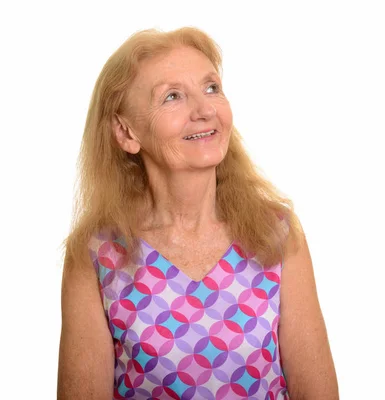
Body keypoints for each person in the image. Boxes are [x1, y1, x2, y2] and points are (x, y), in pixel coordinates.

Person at [57, 26, 338, 400]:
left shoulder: (278, 235)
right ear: (126, 133)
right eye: (172, 96)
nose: (205, 110)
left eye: (212, 88)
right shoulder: (96, 254)